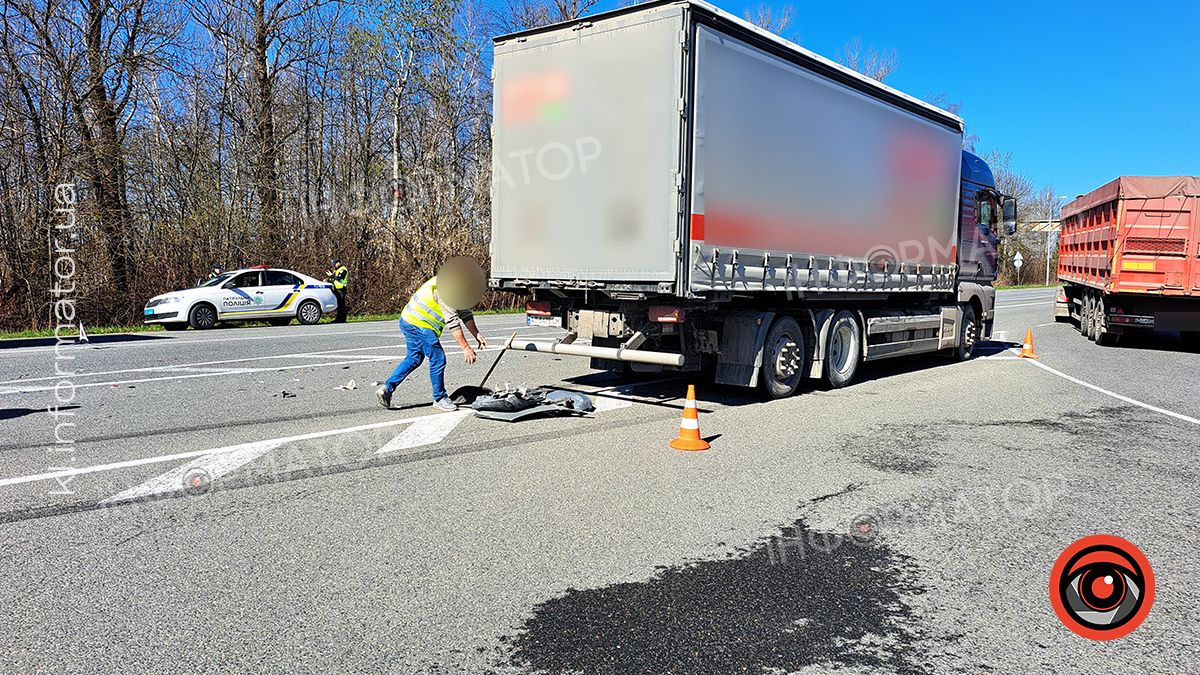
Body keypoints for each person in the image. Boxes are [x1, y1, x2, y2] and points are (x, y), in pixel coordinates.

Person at [376, 257, 488, 412]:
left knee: (414, 358)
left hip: (408, 320)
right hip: (419, 324)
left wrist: (476, 334)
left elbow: (464, 312)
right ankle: (440, 398)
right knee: (438, 358)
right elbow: (453, 322)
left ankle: (387, 388)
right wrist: (465, 348)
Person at [326, 257, 349, 323]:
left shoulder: (343, 270)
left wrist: (331, 276)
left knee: (341, 305)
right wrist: (328, 279)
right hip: (336, 289)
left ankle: (342, 319)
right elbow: (333, 279)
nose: (334, 265)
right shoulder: (336, 270)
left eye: (335, 263)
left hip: (341, 289)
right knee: (339, 305)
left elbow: (338, 278)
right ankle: (339, 318)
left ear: (339, 262)